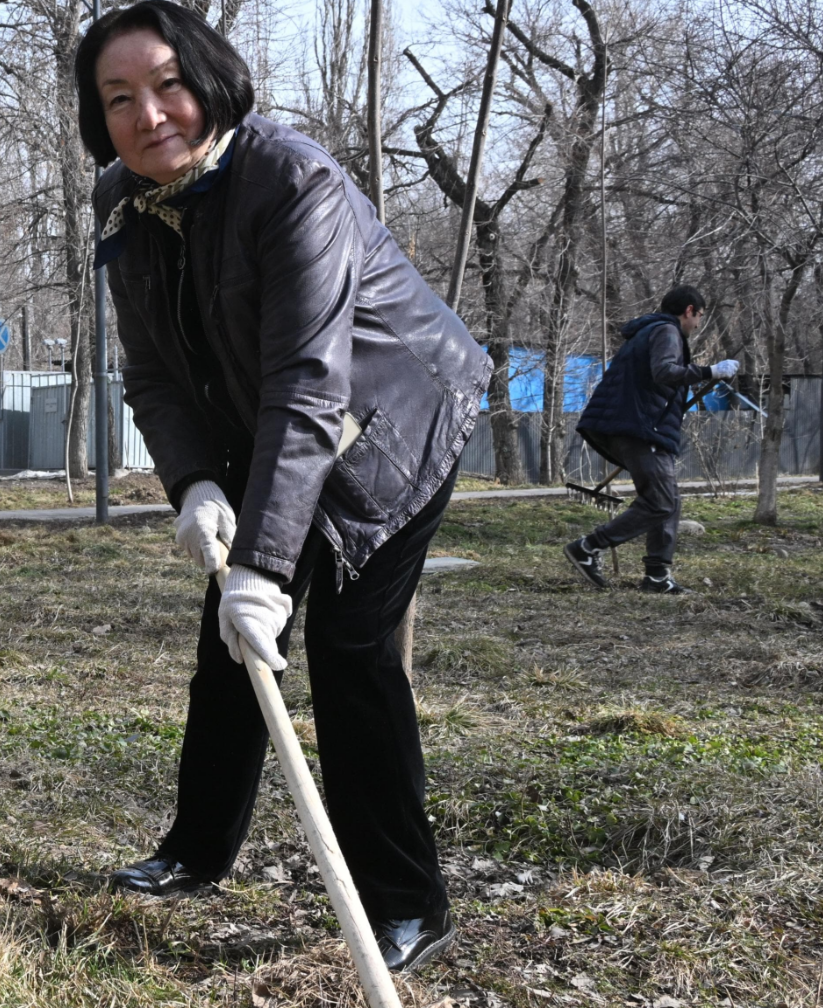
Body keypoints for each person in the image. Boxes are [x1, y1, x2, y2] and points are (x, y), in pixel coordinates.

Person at [76, 1, 491, 974]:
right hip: (273, 432)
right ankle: (193, 852)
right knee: (229, 644)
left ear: (210, 78)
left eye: (169, 83)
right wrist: (193, 486)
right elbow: (150, 372)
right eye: (120, 98)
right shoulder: (121, 202)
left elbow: (311, 380)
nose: (150, 115)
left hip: (391, 421)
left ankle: (407, 905)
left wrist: (266, 563)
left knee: (350, 651)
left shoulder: (291, 179)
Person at [566, 285, 739, 594]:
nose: (697, 324)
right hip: (639, 426)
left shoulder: (649, 332)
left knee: (668, 499)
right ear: (688, 311)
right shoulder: (666, 331)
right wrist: (710, 371)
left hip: (631, 423)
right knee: (661, 500)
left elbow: (655, 379)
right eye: (699, 317)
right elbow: (664, 371)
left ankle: (657, 576)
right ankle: (588, 547)